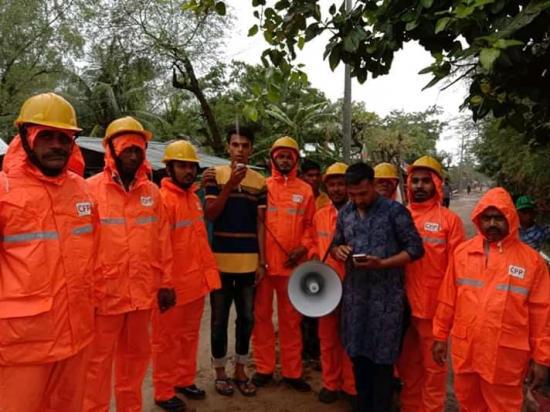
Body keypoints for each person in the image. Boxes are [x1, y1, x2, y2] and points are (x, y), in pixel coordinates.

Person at [0, 93, 98, 412]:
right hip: (21, 346)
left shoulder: (82, 190)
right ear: (26, 138)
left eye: (64, 137)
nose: (56, 144)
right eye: (46, 136)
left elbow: (92, 257)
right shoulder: (4, 191)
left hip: (77, 336)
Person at [83, 117, 175, 412]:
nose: (133, 155)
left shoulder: (153, 194)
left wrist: (166, 283)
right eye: (126, 149)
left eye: (138, 150)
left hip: (141, 295)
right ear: (111, 150)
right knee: (96, 366)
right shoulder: (89, 191)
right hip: (103, 297)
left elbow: (163, 243)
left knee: (134, 362)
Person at [432, 187, 550, 411]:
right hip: (467, 351)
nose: (492, 224)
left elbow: (542, 314)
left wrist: (542, 358)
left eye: (498, 218)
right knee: (468, 403)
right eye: (487, 218)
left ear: (510, 218)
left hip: (505, 358)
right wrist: (439, 336)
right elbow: (447, 299)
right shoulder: (462, 254)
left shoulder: (532, 262)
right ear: (478, 219)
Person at [331, 162, 424, 412]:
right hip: (355, 300)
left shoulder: (395, 212)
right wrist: (338, 251)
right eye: (353, 195)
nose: (358, 199)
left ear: (373, 184)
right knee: (358, 359)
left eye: (363, 193)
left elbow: (415, 249)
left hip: (387, 302)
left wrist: (383, 263)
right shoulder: (345, 214)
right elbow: (335, 244)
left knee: (382, 364)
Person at [152, 140, 221, 411]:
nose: (188, 171)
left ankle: (183, 379)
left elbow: (199, 241)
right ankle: (163, 389)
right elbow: (160, 248)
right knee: (166, 340)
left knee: (189, 337)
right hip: (173, 287)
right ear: (169, 168)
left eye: (191, 166)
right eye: (182, 166)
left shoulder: (193, 198)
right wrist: (165, 285)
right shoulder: (163, 200)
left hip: (194, 283)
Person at [397, 156, 465, 412]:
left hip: (434, 311)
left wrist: (449, 312)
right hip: (402, 307)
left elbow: (458, 271)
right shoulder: (398, 216)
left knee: (434, 370)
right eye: (415, 180)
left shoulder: (450, 222)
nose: (419, 186)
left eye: (426, 180)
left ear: (437, 184)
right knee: (407, 365)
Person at [202, 126, 266, 397]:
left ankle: (240, 370)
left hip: (249, 262)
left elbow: (261, 224)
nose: (240, 150)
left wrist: (262, 262)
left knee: (247, 319)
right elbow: (212, 214)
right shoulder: (213, 175)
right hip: (219, 263)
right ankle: (219, 373)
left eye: (245, 145)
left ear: (251, 148)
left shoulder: (260, 181)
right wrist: (229, 184)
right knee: (218, 320)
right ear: (228, 148)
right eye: (235, 145)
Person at [252, 136, 315, 392]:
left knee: (291, 321)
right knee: (262, 318)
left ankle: (292, 371)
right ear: (273, 159)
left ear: (295, 160)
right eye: (281, 155)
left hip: (293, 267)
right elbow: (255, 225)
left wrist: (303, 248)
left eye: (289, 155)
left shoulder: (305, 190)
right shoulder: (262, 187)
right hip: (265, 267)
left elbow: (311, 226)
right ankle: (263, 368)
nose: (285, 159)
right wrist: (259, 260)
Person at [308, 162, 357, 406]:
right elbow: (313, 245)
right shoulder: (320, 215)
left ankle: (350, 386)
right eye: (332, 184)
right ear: (326, 186)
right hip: (325, 287)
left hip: (352, 287)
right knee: (326, 338)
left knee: (350, 339)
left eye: (341, 184)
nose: (337, 189)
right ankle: (331, 382)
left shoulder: (360, 215)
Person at [299, 158, 325, 368]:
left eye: (317, 175)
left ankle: (316, 349)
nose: (314, 179)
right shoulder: (297, 198)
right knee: (303, 306)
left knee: (321, 306)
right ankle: (304, 349)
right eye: (310, 175)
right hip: (302, 258)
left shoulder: (326, 200)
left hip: (323, 260)